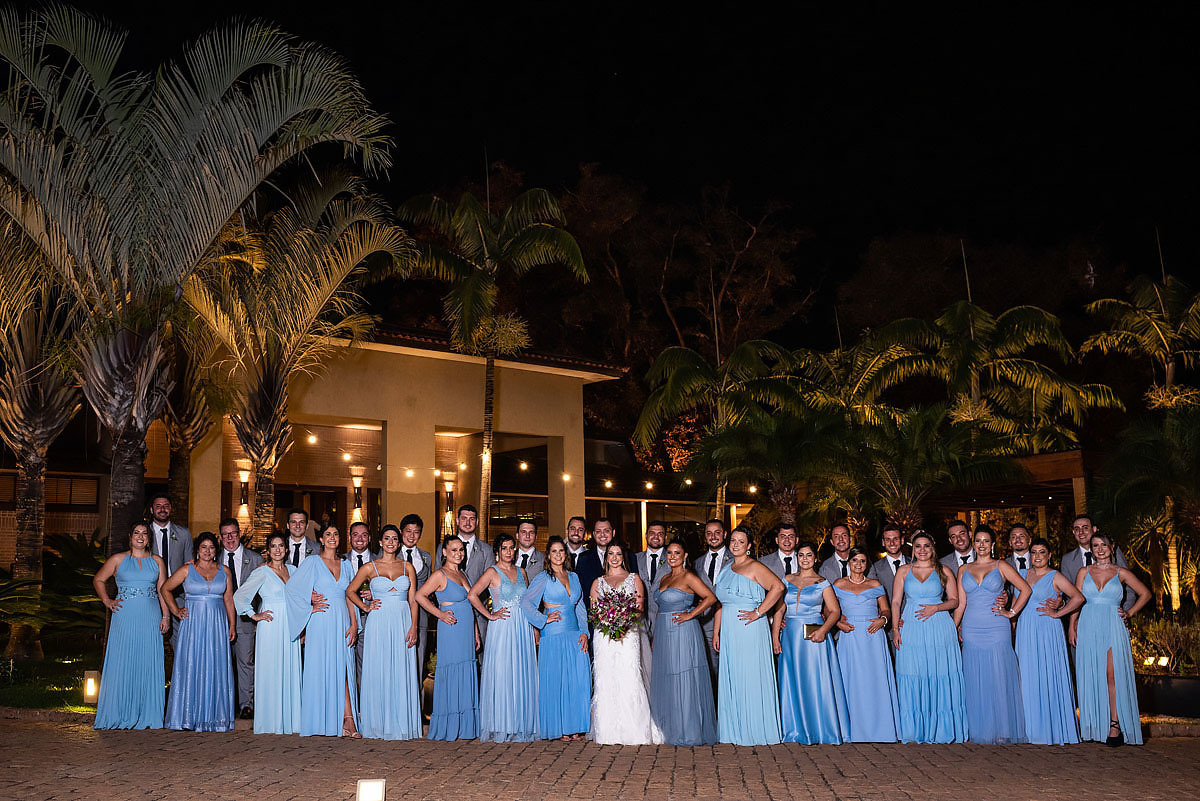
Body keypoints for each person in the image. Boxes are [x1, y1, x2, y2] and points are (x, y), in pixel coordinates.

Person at [1069, 532, 1151, 746]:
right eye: (1095, 545)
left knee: (1112, 675)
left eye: (1103, 545)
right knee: (1092, 673)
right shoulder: (1083, 572)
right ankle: (1094, 724)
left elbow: (1145, 593)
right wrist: (1072, 626)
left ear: (1111, 547)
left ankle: (1115, 724)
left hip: (1113, 625)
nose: (1099, 549)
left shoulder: (1121, 572)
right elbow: (1077, 600)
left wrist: (1130, 613)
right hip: (1088, 625)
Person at [953, 525, 1031, 744]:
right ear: (973, 542)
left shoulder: (1002, 565)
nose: (982, 544)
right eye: (978, 540)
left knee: (999, 675)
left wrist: (1011, 612)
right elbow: (961, 604)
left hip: (997, 627)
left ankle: (1004, 729)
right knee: (975, 677)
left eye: (986, 541)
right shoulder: (963, 570)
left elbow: (1025, 589)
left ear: (993, 544)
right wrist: (951, 629)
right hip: (971, 628)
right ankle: (979, 728)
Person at [346, 524, 421, 740]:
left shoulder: (408, 567)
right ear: (380, 542)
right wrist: (365, 607)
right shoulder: (370, 567)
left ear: (399, 543)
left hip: (402, 620)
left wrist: (414, 626)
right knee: (378, 669)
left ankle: (401, 723)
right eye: (387, 538)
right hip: (378, 623)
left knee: (401, 668)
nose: (391, 542)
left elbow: (413, 600)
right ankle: (378, 724)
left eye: (395, 539)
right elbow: (350, 591)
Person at [285, 525, 361, 738]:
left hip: (342, 620)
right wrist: (310, 602)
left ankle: (348, 721)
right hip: (319, 622)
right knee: (320, 668)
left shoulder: (346, 565)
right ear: (320, 539)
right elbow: (292, 589)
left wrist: (354, 624)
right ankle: (321, 721)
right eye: (328, 534)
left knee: (344, 669)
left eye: (336, 534)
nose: (332, 538)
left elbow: (350, 595)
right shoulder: (312, 562)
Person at [891, 531, 967, 743]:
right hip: (911, 628)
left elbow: (955, 600)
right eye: (918, 546)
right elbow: (896, 602)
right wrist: (896, 629)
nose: (922, 550)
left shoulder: (943, 570)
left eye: (926, 546)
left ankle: (941, 729)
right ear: (912, 549)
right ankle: (915, 728)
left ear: (932, 547)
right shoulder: (904, 571)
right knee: (912, 673)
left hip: (939, 627)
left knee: (938, 674)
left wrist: (936, 607)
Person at [92, 522, 169, 730]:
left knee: (147, 662)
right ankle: (118, 712)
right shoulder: (118, 559)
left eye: (144, 533)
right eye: (137, 533)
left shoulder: (157, 561)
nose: (141, 536)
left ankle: (148, 714)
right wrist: (108, 601)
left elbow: (163, 590)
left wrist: (166, 616)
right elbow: (98, 579)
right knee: (122, 661)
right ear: (130, 536)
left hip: (150, 618)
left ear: (149, 538)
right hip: (124, 618)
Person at [713, 526, 785, 746]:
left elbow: (778, 587)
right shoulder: (726, 569)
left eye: (741, 541)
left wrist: (759, 612)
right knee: (733, 676)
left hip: (750, 629)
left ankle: (755, 729)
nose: (735, 544)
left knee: (751, 675)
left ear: (749, 545)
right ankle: (734, 730)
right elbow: (721, 603)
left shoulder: (754, 566)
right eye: (733, 540)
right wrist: (716, 631)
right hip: (729, 631)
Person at [773, 541, 850, 744]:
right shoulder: (786, 580)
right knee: (792, 680)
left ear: (815, 558)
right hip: (790, 638)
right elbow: (779, 610)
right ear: (796, 557)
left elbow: (834, 611)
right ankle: (794, 729)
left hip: (814, 637)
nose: (804, 559)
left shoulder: (823, 583)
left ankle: (820, 728)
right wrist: (775, 638)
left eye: (809, 555)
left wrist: (824, 631)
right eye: (801, 555)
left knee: (815, 681)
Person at [161, 532, 236, 732]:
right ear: (197, 550)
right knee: (191, 665)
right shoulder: (187, 569)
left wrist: (232, 625)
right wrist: (176, 611)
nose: (207, 551)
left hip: (217, 625)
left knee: (215, 666)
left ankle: (214, 718)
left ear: (216, 551)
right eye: (203, 547)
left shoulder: (225, 571)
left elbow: (229, 599)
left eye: (211, 547)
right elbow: (165, 588)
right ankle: (187, 716)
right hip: (193, 625)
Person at [589, 541, 662, 745]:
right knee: (607, 678)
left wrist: (622, 622)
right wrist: (608, 623)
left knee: (629, 675)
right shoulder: (598, 582)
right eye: (610, 553)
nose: (614, 557)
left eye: (618, 553)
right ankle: (608, 732)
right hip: (604, 636)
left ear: (623, 557)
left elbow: (639, 607)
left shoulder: (634, 579)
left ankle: (634, 731)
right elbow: (593, 611)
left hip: (628, 634)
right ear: (606, 557)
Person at [468, 533, 538, 742]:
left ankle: (521, 723)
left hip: (522, 627)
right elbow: (472, 595)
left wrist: (534, 626)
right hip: (503, 628)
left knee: (521, 672)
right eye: (505, 548)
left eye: (511, 548)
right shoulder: (491, 572)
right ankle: (502, 724)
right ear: (497, 550)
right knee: (504, 674)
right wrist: (490, 614)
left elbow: (528, 602)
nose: (509, 552)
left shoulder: (522, 572)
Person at [520, 536, 591, 740]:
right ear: (548, 556)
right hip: (552, 635)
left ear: (565, 554)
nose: (558, 555)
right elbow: (526, 603)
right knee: (556, 681)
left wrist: (585, 632)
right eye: (554, 551)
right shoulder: (543, 577)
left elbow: (579, 606)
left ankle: (575, 726)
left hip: (575, 634)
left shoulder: (574, 577)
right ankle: (558, 728)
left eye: (561, 551)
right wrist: (543, 619)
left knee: (576, 680)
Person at [1015, 537, 1083, 745]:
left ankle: (1051, 728)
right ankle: (1030, 728)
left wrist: (1058, 612)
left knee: (1047, 673)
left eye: (1041, 552)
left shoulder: (1055, 576)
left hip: (1047, 629)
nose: (1037, 556)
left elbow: (1078, 597)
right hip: (1025, 628)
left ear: (1049, 555)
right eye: (1033, 552)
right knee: (1026, 674)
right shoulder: (1021, 574)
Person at [650, 540, 718, 746]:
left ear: (685, 555)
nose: (672, 556)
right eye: (669, 553)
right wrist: (654, 636)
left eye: (676, 553)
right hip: (663, 632)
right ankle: (667, 727)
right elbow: (660, 608)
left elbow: (710, 597)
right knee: (668, 677)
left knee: (684, 677)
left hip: (683, 632)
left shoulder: (689, 576)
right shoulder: (665, 577)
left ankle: (687, 730)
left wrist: (691, 615)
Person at [232, 532, 301, 735]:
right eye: (273, 546)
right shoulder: (262, 572)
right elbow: (240, 596)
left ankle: (291, 720)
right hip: (270, 625)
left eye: (281, 546)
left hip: (291, 625)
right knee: (271, 669)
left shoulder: (295, 571)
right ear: (268, 551)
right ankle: (271, 721)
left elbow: (303, 597)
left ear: (286, 549)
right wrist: (254, 615)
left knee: (289, 669)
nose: (278, 549)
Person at [833, 546, 899, 742]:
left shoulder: (875, 584)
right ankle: (849, 729)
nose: (858, 565)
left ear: (867, 564)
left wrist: (883, 621)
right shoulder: (838, 584)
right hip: (849, 635)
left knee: (874, 680)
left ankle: (880, 729)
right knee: (850, 679)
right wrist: (838, 623)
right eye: (855, 560)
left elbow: (886, 610)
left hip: (873, 637)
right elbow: (828, 610)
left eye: (862, 561)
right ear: (849, 562)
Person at [417, 536, 480, 740]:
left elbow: (471, 604)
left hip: (466, 630)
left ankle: (465, 726)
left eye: (461, 550)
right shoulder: (439, 574)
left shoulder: (462, 574)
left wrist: (476, 632)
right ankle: (449, 725)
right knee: (452, 671)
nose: (459, 554)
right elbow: (419, 596)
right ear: (444, 552)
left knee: (466, 671)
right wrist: (440, 614)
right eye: (454, 550)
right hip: (451, 630)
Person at [218, 518, 262, 719]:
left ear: (239, 534)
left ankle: (247, 705)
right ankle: (223, 704)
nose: (230, 538)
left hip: (246, 618)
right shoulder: (213, 560)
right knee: (221, 662)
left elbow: (263, 591)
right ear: (220, 538)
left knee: (245, 662)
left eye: (233, 533)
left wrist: (256, 618)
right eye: (225, 534)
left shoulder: (254, 559)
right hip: (220, 619)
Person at [435, 505, 495, 648]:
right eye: (464, 518)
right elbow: (437, 580)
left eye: (472, 519)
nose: (467, 522)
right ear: (457, 520)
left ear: (477, 522)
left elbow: (490, 583)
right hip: (450, 614)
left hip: (478, 613)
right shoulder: (442, 547)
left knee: (480, 656)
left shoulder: (486, 550)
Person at [1061, 515, 1133, 611]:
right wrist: (1075, 617)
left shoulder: (1112, 551)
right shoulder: (1067, 560)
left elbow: (1129, 587)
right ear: (1073, 532)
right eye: (1077, 529)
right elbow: (1067, 594)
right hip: (1083, 617)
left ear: (1094, 529)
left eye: (1085, 528)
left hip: (1113, 613)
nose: (1081, 532)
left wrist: (1125, 612)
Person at [147, 493, 192, 646]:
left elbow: (189, 564)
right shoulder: (144, 534)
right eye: (158, 506)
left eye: (166, 506)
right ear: (152, 510)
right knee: (152, 640)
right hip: (151, 594)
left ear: (171, 509)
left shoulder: (184, 534)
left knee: (182, 641)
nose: (162, 509)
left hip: (178, 594)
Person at [694, 518, 733, 682]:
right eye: (709, 533)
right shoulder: (697, 562)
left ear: (724, 534)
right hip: (706, 622)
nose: (713, 536)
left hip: (732, 619)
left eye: (717, 532)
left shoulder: (735, 559)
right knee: (711, 668)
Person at [397, 518, 433, 677]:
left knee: (418, 665)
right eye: (408, 531)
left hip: (421, 618)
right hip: (396, 615)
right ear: (401, 532)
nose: (411, 536)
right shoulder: (390, 554)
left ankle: (418, 700)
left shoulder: (427, 557)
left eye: (416, 532)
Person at [346, 522, 376, 686]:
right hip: (345, 620)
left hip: (371, 619)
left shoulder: (379, 560)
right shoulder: (340, 560)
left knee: (367, 667)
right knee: (344, 667)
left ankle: (366, 708)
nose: (360, 539)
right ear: (350, 537)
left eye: (364, 535)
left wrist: (376, 593)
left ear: (369, 538)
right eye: (355, 534)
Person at [573, 516, 616, 617]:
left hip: (622, 622)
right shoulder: (583, 558)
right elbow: (580, 592)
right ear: (593, 534)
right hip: (592, 619)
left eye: (606, 531)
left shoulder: (628, 556)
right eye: (598, 531)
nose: (602, 535)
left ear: (613, 533)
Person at [633, 521, 668, 636]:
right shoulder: (634, 558)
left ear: (665, 537)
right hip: (639, 619)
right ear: (646, 535)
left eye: (660, 534)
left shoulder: (673, 558)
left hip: (664, 618)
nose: (656, 537)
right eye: (652, 533)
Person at [867, 526, 907, 608]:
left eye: (895, 539)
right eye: (888, 540)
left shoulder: (914, 564)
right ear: (883, 542)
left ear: (902, 540)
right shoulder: (875, 568)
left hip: (915, 615)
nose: (892, 543)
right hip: (889, 618)